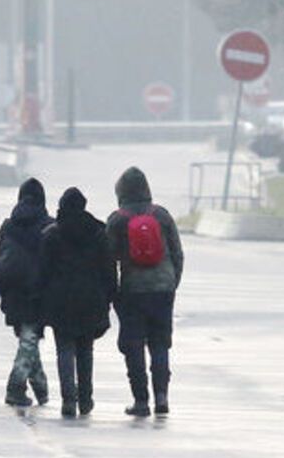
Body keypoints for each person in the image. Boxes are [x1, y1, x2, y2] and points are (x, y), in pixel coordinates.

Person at [105, 166, 184, 416]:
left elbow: (107, 259)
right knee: (160, 343)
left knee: (134, 344)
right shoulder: (161, 216)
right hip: (163, 288)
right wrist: (172, 283)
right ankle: (162, 397)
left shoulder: (118, 219)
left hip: (133, 290)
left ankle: (141, 401)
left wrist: (113, 293)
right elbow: (178, 253)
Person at [40, 188, 117, 417]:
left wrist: (42, 300)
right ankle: (85, 398)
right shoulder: (98, 233)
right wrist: (110, 297)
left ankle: (68, 399)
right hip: (91, 299)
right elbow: (109, 269)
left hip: (60, 300)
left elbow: (44, 272)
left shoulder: (51, 235)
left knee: (64, 350)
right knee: (85, 351)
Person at [0, 178, 54, 407]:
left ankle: (41, 388)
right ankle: (15, 386)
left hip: (12, 289)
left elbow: (1, 262)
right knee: (29, 340)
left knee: (27, 340)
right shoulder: (49, 226)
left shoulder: (9, 226)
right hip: (37, 291)